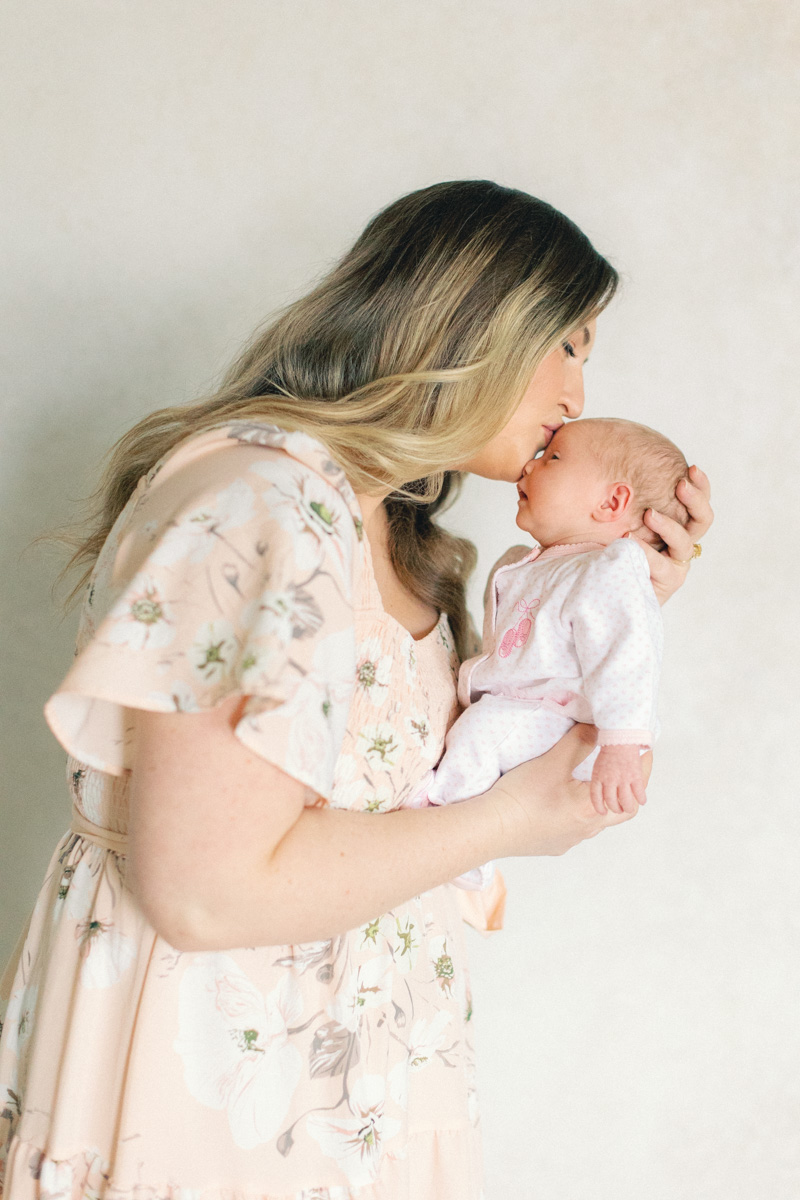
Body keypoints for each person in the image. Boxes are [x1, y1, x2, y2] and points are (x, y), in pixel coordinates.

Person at [0, 180, 712, 1200]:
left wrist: (612, 609)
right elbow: (204, 890)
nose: (574, 397)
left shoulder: (395, 537)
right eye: (567, 343)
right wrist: (514, 818)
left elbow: (398, 790)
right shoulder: (265, 504)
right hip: (203, 1100)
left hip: (360, 1094)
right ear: (473, 320)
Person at [418, 417, 694, 891]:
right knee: (483, 728)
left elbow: (628, 656)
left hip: (569, 722)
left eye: (553, 458)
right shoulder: (535, 563)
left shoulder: (610, 567)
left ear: (612, 502)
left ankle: (448, 828)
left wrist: (622, 743)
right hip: (537, 709)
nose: (530, 465)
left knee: (481, 733)